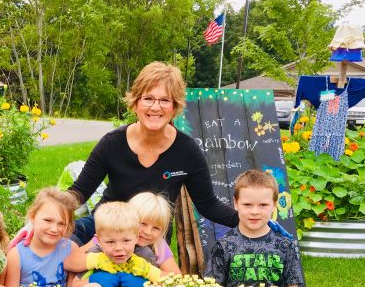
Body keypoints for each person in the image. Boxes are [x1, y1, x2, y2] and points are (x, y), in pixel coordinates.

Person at [67, 61, 238, 245]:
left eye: (165, 100)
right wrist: (48, 211)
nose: (155, 107)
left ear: (174, 107)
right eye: (148, 98)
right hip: (108, 226)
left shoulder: (187, 151)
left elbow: (208, 205)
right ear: (136, 103)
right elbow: (79, 192)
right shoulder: (112, 143)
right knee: (62, 238)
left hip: (151, 236)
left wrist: (253, 221)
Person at [203, 170, 303, 287]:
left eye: (263, 205)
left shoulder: (285, 245)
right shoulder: (224, 245)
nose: (255, 211)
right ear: (236, 203)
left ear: (274, 205)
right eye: (247, 205)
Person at [64, 191, 181, 275]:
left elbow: (177, 279)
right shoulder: (109, 238)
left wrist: (149, 271)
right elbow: (71, 262)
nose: (148, 232)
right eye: (143, 223)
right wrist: (98, 260)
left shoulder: (158, 245)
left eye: (156, 228)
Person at [76, 202, 162, 287]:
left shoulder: (145, 254)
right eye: (110, 242)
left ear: (137, 237)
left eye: (126, 240)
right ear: (99, 240)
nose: (119, 248)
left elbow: (165, 284)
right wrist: (93, 280)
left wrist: (145, 284)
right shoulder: (95, 253)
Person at [5, 187, 81, 287]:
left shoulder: (71, 249)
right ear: (32, 216)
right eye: (48, 220)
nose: (54, 229)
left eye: (61, 224)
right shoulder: (16, 255)